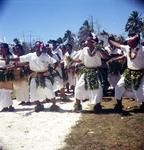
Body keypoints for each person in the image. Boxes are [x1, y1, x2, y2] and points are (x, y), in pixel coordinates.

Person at [14, 41, 59, 112]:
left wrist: (50, 71)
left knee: (49, 90)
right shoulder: (30, 55)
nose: (37, 48)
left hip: (44, 76)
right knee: (32, 92)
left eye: (39, 47)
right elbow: (19, 59)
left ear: (41, 47)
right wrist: (9, 60)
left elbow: (55, 62)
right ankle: (39, 105)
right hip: (34, 76)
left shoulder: (45, 56)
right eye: (36, 47)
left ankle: (54, 104)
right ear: (34, 47)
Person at [109, 34, 144, 112]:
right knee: (119, 86)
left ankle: (143, 105)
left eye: (131, 42)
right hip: (128, 72)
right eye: (128, 42)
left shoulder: (143, 49)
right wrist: (110, 40)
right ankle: (119, 104)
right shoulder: (128, 48)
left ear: (136, 42)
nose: (129, 43)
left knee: (141, 90)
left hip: (141, 73)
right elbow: (118, 45)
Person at [73, 35, 108, 113]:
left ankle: (97, 105)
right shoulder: (84, 49)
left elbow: (106, 57)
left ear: (93, 42)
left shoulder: (98, 49)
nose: (86, 42)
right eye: (87, 41)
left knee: (98, 88)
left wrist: (99, 48)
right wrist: (72, 60)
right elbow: (80, 60)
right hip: (86, 72)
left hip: (96, 72)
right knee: (79, 87)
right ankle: (77, 104)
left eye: (88, 41)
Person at [0, 43, 15, 112]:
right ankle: (4, 106)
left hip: (8, 75)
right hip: (1, 75)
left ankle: (10, 106)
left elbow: (13, 65)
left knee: (7, 91)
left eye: (2, 48)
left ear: (6, 49)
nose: (1, 49)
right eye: (0, 48)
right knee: (2, 91)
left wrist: (8, 68)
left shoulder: (10, 56)